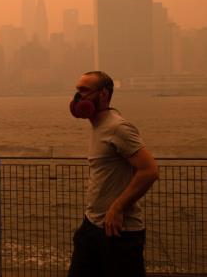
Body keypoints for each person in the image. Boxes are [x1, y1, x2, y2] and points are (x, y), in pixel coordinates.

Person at [68, 71, 159, 277]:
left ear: (103, 94)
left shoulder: (118, 127)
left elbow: (149, 170)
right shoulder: (97, 126)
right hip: (92, 225)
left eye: (84, 90)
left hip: (119, 232)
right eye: (77, 90)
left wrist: (117, 208)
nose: (77, 97)